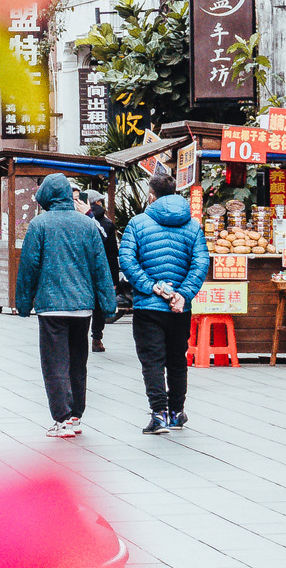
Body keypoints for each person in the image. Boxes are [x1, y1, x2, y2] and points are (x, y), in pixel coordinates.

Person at [15, 173, 117, 437]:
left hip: (51, 306)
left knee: (54, 362)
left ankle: (61, 418)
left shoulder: (39, 225)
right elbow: (100, 267)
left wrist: (24, 303)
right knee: (77, 361)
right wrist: (108, 303)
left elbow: (29, 267)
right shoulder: (87, 225)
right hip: (82, 306)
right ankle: (75, 416)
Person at [117, 170, 209, 435]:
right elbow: (201, 262)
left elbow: (127, 260)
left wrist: (150, 286)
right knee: (177, 360)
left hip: (148, 307)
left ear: (151, 195)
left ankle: (158, 415)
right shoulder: (193, 226)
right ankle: (176, 412)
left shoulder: (137, 223)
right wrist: (184, 293)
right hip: (180, 308)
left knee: (153, 361)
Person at [78, 189, 121, 352]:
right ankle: (97, 338)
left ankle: (80, 337)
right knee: (98, 306)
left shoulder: (78, 221)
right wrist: (114, 280)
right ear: (98, 203)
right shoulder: (108, 223)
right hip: (101, 270)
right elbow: (111, 253)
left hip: (82, 271)